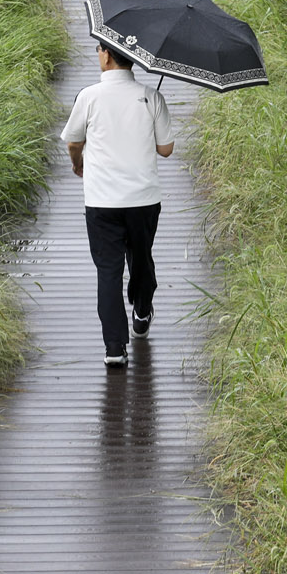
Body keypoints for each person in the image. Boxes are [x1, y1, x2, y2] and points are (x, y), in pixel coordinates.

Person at [61, 43, 175, 367]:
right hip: (143, 200)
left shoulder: (88, 97)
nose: (97, 54)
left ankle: (114, 348)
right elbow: (166, 149)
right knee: (141, 260)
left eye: (98, 49)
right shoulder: (151, 97)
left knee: (108, 272)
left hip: (101, 201)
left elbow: (73, 141)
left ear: (107, 56)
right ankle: (141, 311)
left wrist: (77, 163)